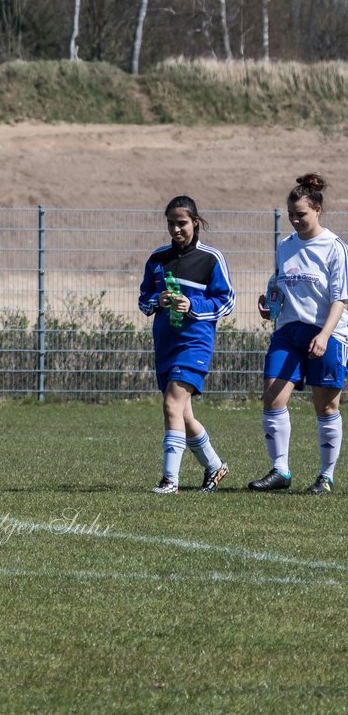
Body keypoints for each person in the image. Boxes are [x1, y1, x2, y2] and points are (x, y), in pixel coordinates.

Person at [251, 173, 347, 495]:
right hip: (288, 332)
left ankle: (326, 477)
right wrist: (270, 306)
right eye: (291, 214)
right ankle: (280, 470)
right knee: (272, 395)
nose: (294, 220)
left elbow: (340, 298)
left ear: (318, 210)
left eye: (300, 215)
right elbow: (280, 285)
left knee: (326, 408)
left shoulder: (335, 248)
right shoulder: (285, 246)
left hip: (327, 333)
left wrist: (324, 335)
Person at [137, 197, 235, 495]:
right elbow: (143, 300)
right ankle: (215, 466)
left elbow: (226, 301)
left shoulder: (210, 258)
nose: (176, 229)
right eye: (171, 223)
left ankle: (170, 481)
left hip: (195, 343)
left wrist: (192, 304)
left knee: (171, 404)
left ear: (195, 221)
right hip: (166, 343)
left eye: (182, 223)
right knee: (184, 414)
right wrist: (158, 300)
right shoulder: (157, 258)